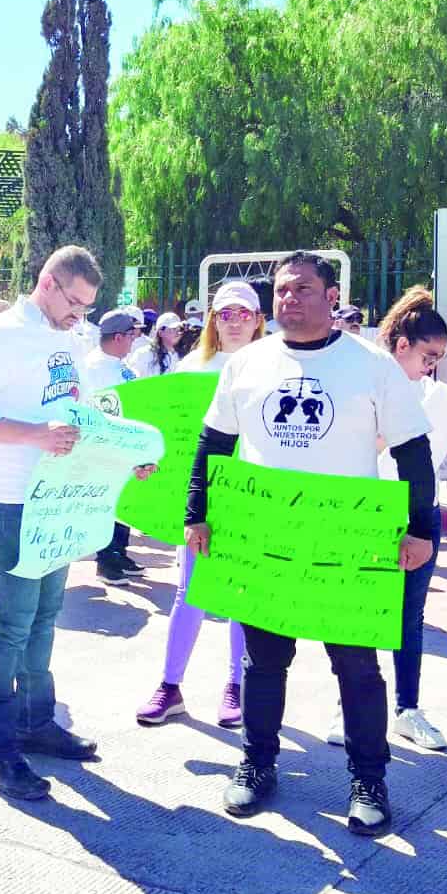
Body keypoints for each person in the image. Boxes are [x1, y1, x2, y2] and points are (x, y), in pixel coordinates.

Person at [188, 252, 434, 836]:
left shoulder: (371, 366)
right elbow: (212, 444)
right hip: (266, 539)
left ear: (331, 295)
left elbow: (413, 453)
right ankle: (256, 764)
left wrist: (420, 529)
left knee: (357, 668)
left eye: (302, 289)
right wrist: (198, 514)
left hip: (346, 543)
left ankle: (369, 779)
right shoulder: (246, 364)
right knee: (263, 663)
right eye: (281, 290)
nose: (289, 299)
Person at [0, 245, 136, 801]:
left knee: (45, 615)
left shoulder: (71, 339)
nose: (81, 315)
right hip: (12, 501)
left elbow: (80, 413)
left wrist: (123, 453)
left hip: (59, 499)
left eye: (87, 307)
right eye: (74, 302)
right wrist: (33, 435)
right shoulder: (1, 335)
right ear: (48, 283)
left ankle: (36, 721)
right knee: (10, 622)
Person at [136, 281, 263, 730]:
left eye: (242, 314)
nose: (233, 322)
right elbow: (171, 430)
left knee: (241, 598)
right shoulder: (194, 365)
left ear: (257, 320)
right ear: (213, 319)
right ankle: (170, 686)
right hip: (202, 499)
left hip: (251, 496)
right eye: (224, 314)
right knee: (189, 592)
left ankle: (236, 684)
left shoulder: (271, 366)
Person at [371, 287, 447, 751]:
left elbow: (442, 457)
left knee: (409, 617)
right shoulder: (368, 383)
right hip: (370, 507)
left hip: (420, 511)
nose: (433, 365)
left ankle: (407, 709)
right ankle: (349, 707)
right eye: (428, 355)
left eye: (439, 358)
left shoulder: (436, 394)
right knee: (362, 612)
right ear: (402, 345)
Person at [81, 309, 143, 585]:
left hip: (127, 447)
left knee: (126, 503)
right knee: (107, 506)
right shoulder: (91, 368)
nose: (135, 339)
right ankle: (105, 561)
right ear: (118, 336)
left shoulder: (124, 366)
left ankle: (120, 552)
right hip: (104, 450)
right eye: (132, 334)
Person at [133, 312, 183, 378]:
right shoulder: (144, 354)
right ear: (160, 332)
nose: (177, 332)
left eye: (179, 329)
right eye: (173, 329)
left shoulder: (185, 356)